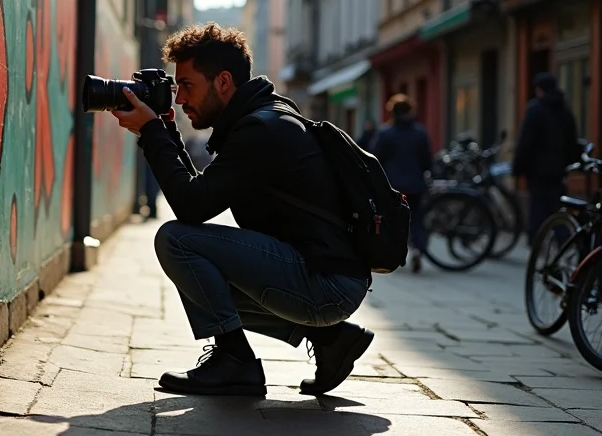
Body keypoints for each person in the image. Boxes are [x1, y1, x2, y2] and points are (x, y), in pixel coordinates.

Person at [110, 22, 373, 398]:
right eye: (176, 88)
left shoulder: (261, 129)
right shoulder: (263, 117)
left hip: (326, 283)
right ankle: (329, 338)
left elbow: (191, 207)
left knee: (178, 240)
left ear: (223, 82)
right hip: (327, 274)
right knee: (203, 273)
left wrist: (153, 134)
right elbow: (199, 192)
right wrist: (164, 131)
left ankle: (235, 362)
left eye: (187, 86)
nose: (180, 99)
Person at [512, 72, 581, 242]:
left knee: (538, 205)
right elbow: (571, 139)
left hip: (536, 169)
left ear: (539, 89)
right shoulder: (565, 109)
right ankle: (561, 239)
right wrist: (571, 162)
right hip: (558, 168)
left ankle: (537, 240)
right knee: (556, 205)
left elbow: (526, 141)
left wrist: (518, 166)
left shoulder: (535, 109)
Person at [369, 94, 432, 273]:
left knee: (392, 221)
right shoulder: (420, 132)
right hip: (415, 185)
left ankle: (396, 252)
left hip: (393, 186)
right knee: (417, 218)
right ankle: (418, 249)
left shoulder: (386, 133)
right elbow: (427, 159)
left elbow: (375, 158)